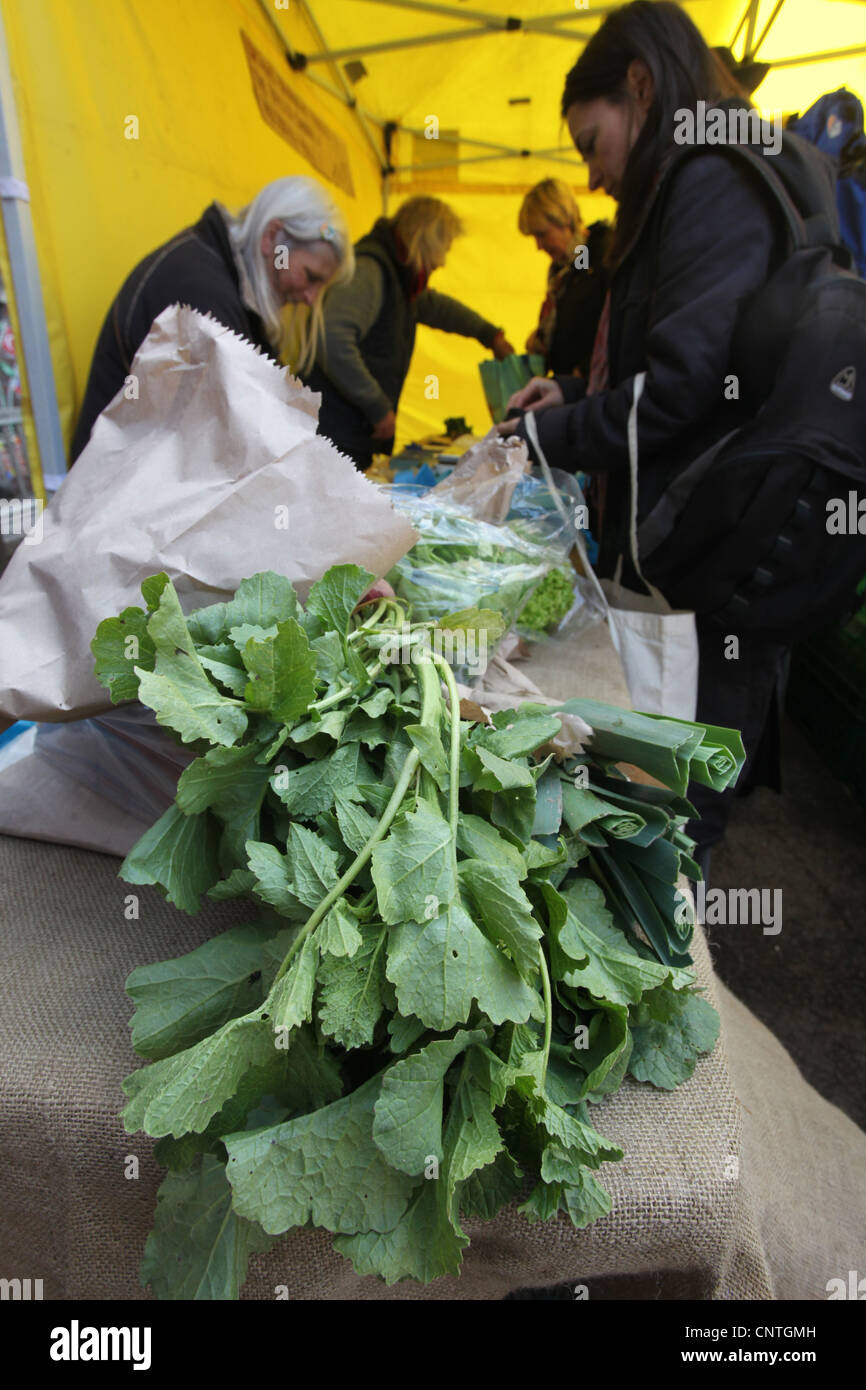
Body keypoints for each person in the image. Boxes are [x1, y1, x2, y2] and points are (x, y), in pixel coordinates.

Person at [500, 0, 840, 873]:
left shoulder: (711, 178)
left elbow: (682, 392)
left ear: (640, 90)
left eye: (591, 143)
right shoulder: (704, 175)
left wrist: (550, 436)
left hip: (718, 573)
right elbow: (687, 364)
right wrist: (573, 391)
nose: (596, 176)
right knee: (664, 795)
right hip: (710, 564)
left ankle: (670, 982)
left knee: (678, 820)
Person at [70, 176, 354, 462]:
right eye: (311, 276)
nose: (311, 298)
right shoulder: (201, 293)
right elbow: (223, 435)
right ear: (271, 238)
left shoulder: (232, 284)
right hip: (117, 485)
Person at [302, 196, 515, 469]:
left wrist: (488, 334)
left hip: (351, 435)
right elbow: (331, 339)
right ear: (424, 240)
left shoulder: (402, 280)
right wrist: (377, 406)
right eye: (442, 251)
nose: (441, 263)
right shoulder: (371, 271)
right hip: (333, 434)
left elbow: (438, 308)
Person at [519, 178, 611, 378]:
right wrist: (542, 342)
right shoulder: (563, 271)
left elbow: (612, 329)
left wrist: (583, 371)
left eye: (542, 234)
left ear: (563, 219)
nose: (539, 246)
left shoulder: (602, 256)